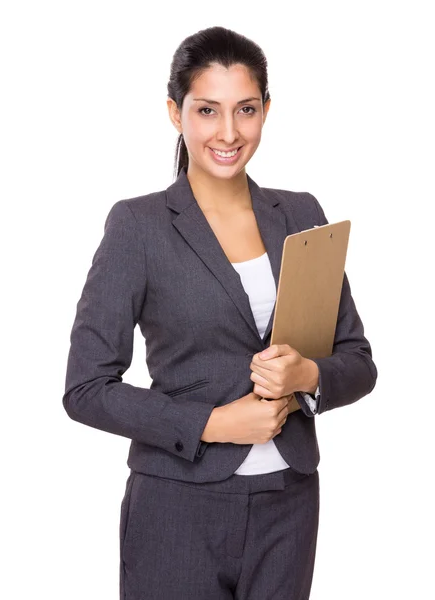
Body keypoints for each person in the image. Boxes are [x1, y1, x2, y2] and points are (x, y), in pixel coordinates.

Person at [62, 25, 377, 600]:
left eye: (246, 110)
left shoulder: (302, 213)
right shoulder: (139, 226)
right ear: (175, 112)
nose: (229, 133)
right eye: (207, 110)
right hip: (178, 508)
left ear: (266, 111)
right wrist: (212, 424)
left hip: (289, 503)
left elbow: (357, 360)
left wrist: (308, 375)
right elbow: (86, 387)